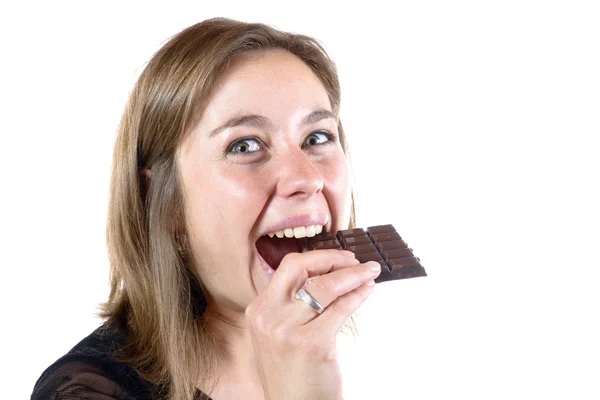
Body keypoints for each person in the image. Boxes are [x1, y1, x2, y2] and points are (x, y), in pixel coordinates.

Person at [31, 17, 381, 400]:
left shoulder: (338, 356)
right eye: (244, 146)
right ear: (166, 203)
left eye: (317, 137)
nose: (305, 177)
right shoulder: (84, 392)